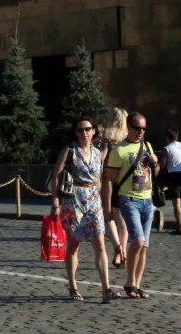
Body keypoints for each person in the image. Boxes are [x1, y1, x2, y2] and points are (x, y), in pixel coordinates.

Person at [50, 118, 116, 303]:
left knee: (100, 244)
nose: (84, 132)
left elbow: (99, 178)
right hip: (74, 202)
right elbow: (56, 177)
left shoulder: (97, 153)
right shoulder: (70, 150)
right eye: (80, 130)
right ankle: (73, 287)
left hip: (93, 201)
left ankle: (106, 289)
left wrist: (105, 203)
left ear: (93, 131)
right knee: (73, 245)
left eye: (87, 129)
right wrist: (56, 202)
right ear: (76, 133)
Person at [103, 110, 159, 300]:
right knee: (138, 241)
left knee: (144, 246)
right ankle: (129, 281)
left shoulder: (147, 146)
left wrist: (156, 163)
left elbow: (154, 174)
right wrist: (108, 207)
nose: (141, 131)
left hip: (147, 199)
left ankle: (136, 284)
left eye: (144, 128)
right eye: (137, 128)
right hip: (128, 199)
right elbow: (109, 179)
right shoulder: (119, 150)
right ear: (129, 126)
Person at [99, 107, 129, 268]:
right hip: (125, 178)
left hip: (109, 178)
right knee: (122, 216)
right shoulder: (128, 134)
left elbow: (102, 156)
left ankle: (118, 248)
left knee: (108, 214)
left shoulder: (108, 133)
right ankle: (123, 250)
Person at [161, 129, 181, 235]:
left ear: (167, 138)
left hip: (173, 174)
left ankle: (180, 228)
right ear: (177, 137)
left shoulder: (167, 148)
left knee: (176, 201)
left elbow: (162, 164)